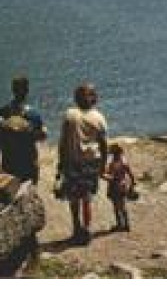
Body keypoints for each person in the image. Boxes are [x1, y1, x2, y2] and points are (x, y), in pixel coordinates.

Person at [57, 83, 107, 244]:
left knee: (73, 198)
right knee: (87, 198)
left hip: (72, 162)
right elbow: (103, 144)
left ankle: (77, 227)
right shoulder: (99, 117)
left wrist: (60, 162)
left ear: (76, 99)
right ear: (94, 99)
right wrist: (103, 165)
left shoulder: (70, 114)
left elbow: (63, 142)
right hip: (91, 163)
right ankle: (86, 230)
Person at [0, 75, 47, 183]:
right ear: (27, 90)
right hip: (28, 164)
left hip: (9, 164)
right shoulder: (33, 114)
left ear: (12, 90)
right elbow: (41, 137)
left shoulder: (3, 112)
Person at [104, 142, 137, 232]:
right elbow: (131, 174)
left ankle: (120, 224)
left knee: (116, 206)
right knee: (122, 206)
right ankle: (126, 224)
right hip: (122, 186)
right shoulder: (124, 160)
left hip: (115, 186)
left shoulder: (115, 163)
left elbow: (112, 176)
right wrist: (132, 185)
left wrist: (104, 176)